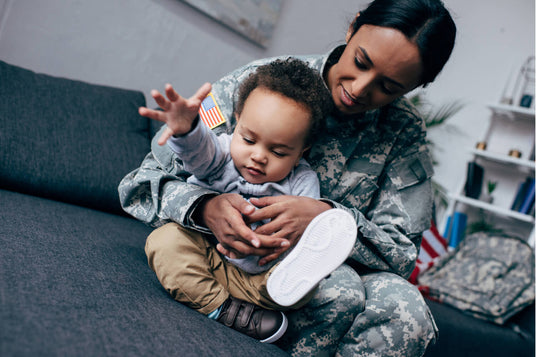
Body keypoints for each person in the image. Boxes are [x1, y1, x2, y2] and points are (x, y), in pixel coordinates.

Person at [118, 0, 457, 355]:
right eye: (360, 62)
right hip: (214, 256)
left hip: (304, 280)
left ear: (417, 85)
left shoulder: (403, 134)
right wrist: (204, 209)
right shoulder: (263, 85)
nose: (359, 88)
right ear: (353, 28)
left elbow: (401, 254)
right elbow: (142, 184)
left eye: (388, 87)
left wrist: (327, 218)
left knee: (401, 309)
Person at [138, 59, 358, 343]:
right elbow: (199, 152)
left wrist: (296, 240)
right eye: (249, 139)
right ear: (237, 121)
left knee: (307, 286)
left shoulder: (302, 182)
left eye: (278, 152)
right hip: (206, 257)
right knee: (163, 243)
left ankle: (270, 299)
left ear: (302, 151)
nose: (259, 156)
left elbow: (305, 232)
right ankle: (222, 308)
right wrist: (187, 129)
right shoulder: (222, 155)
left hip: (261, 280)